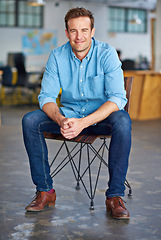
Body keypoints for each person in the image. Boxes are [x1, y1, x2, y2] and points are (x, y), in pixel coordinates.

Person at [22, 7, 132, 220]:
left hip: (100, 119)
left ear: (92, 31)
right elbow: (46, 97)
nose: (79, 36)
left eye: (84, 30)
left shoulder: (107, 53)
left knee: (123, 120)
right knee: (30, 120)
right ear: (66, 33)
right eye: (73, 31)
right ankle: (45, 191)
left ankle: (115, 196)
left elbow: (118, 98)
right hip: (69, 117)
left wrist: (84, 123)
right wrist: (61, 119)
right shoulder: (57, 56)